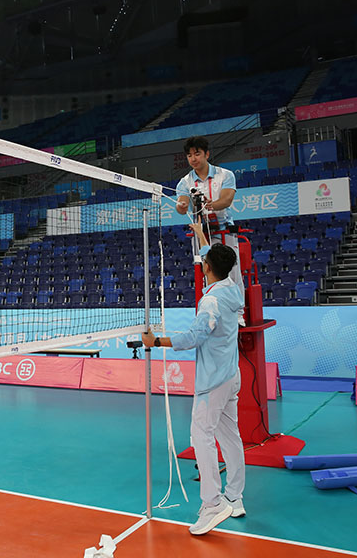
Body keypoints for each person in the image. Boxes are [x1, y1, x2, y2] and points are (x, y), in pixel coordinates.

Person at [142, 228, 246, 536]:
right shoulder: (233, 288)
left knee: (201, 436)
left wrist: (155, 341)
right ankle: (235, 498)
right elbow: (211, 259)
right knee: (230, 437)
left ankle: (212, 503)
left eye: (204, 262)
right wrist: (202, 235)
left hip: (213, 381)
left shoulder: (210, 301)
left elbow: (194, 337)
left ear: (207, 268)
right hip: (232, 374)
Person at [175, 135, 244, 325]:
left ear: (206, 154)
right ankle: (210, 314)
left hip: (224, 231)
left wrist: (210, 205)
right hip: (201, 234)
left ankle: (238, 314)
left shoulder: (225, 175)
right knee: (206, 274)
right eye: (189, 155)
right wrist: (181, 206)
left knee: (233, 273)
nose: (193, 158)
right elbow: (182, 205)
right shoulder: (185, 182)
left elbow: (227, 200)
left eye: (197, 154)